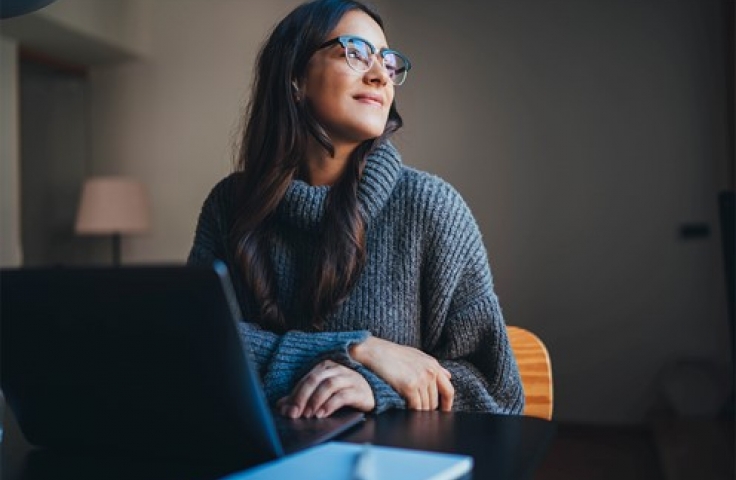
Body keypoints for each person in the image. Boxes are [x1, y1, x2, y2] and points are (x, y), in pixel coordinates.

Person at [188, 0, 524, 419]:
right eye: (355, 52)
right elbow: (195, 348)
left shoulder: (430, 208)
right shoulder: (229, 206)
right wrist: (360, 348)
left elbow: (497, 391)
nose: (380, 74)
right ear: (295, 78)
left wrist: (377, 386)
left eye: (387, 61)